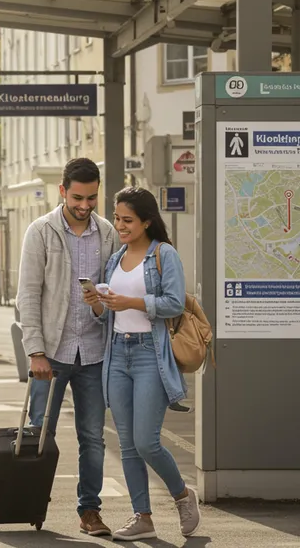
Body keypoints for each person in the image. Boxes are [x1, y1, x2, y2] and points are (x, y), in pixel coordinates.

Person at [88, 187, 200, 540]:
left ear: (146, 221)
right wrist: (97, 302)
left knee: (146, 441)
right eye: (117, 218)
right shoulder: (115, 259)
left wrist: (132, 302)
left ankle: (182, 495)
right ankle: (143, 518)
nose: (119, 226)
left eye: (127, 220)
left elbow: (172, 304)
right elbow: (107, 316)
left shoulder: (164, 254)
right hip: (117, 355)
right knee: (126, 444)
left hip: (150, 353)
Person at [15, 157, 118, 536]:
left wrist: (101, 306)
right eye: (78, 197)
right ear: (63, 190)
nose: (85, 205)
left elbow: (111, 292)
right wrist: (36, 351)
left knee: (93, 438)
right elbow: (27, 294)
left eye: (92, 197)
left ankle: (89, 511)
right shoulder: (40, 231)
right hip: (53, 353)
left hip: (93, 353)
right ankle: (25, 500)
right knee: (40, 431)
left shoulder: (107, 233)